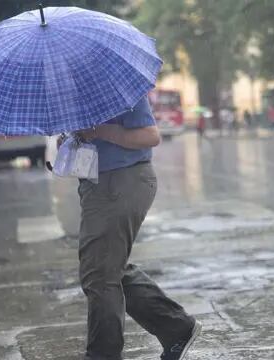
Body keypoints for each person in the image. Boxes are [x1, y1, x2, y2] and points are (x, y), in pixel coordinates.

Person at [73, 97, 200, 360]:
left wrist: (99, 131)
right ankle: (176, 327)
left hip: (123, 181)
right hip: (98, 185)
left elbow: (150, 136)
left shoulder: (118, 87)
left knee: (100, 276)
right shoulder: (76, 91)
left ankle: (103, 355)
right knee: (105, 268)